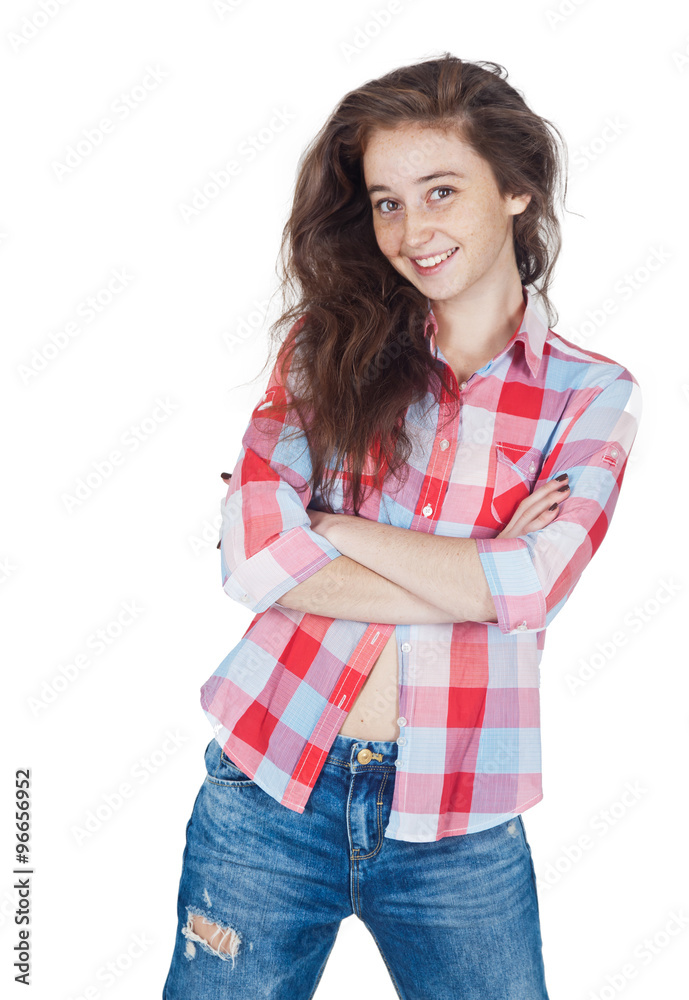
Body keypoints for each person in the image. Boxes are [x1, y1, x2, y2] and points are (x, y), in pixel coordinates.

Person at [162, 52, 642, 999]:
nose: (412, 231)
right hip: (267, 785)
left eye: (440, 192)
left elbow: (537, 585)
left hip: (462, 821)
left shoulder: (590, 395)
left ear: (516, 189)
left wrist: (333, 527)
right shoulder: (324, 350)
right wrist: (480, 573)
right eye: (388, 202)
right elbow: (251, 556)